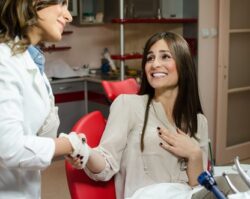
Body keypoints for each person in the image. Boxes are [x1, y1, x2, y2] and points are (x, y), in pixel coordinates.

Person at [68, 32, 209, 199]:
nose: (155, 64)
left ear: (184, 65)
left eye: (165, 57)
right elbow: (106, 165)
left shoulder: (198, 121)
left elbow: (200, 189)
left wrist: (194, 154)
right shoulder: (128, 105)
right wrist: (86, 153)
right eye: (150, 58)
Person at [0, 1, 85, 198]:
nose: (69, 16)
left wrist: (64, 147)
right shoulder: (4, 61)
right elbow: (8, 148)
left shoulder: (30, 59)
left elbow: (38, 134)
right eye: (62, 3)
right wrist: (69, 144)